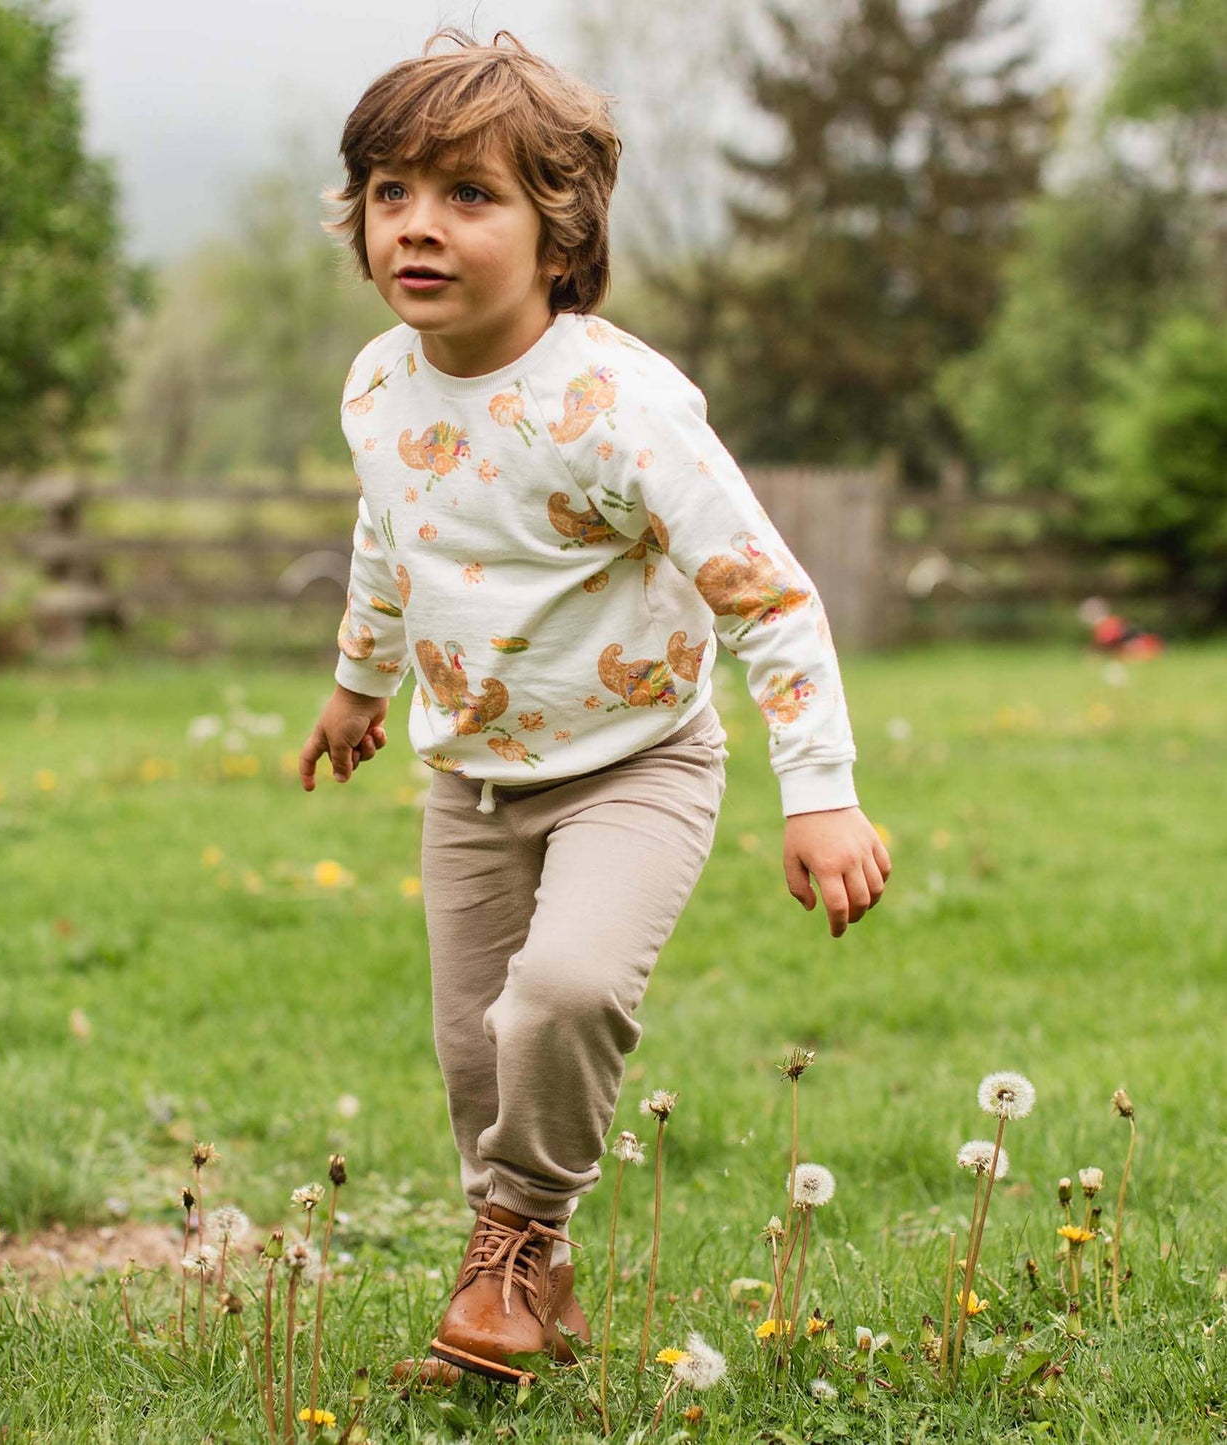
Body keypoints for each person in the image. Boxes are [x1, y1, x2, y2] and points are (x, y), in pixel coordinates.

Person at [299, 30, 891, 1383]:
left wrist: (822, 792)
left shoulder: (619, 403)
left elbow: (768, 596)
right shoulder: (378, 383)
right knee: (474, 1056)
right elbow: (390, 537)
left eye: (467, 194)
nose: (417, 228)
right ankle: (526, 1281)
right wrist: (356, 684)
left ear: (559, 231)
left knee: (555, 1000)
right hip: (469, 779)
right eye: (390, 193)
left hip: (637, 763)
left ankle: (508, 1249)